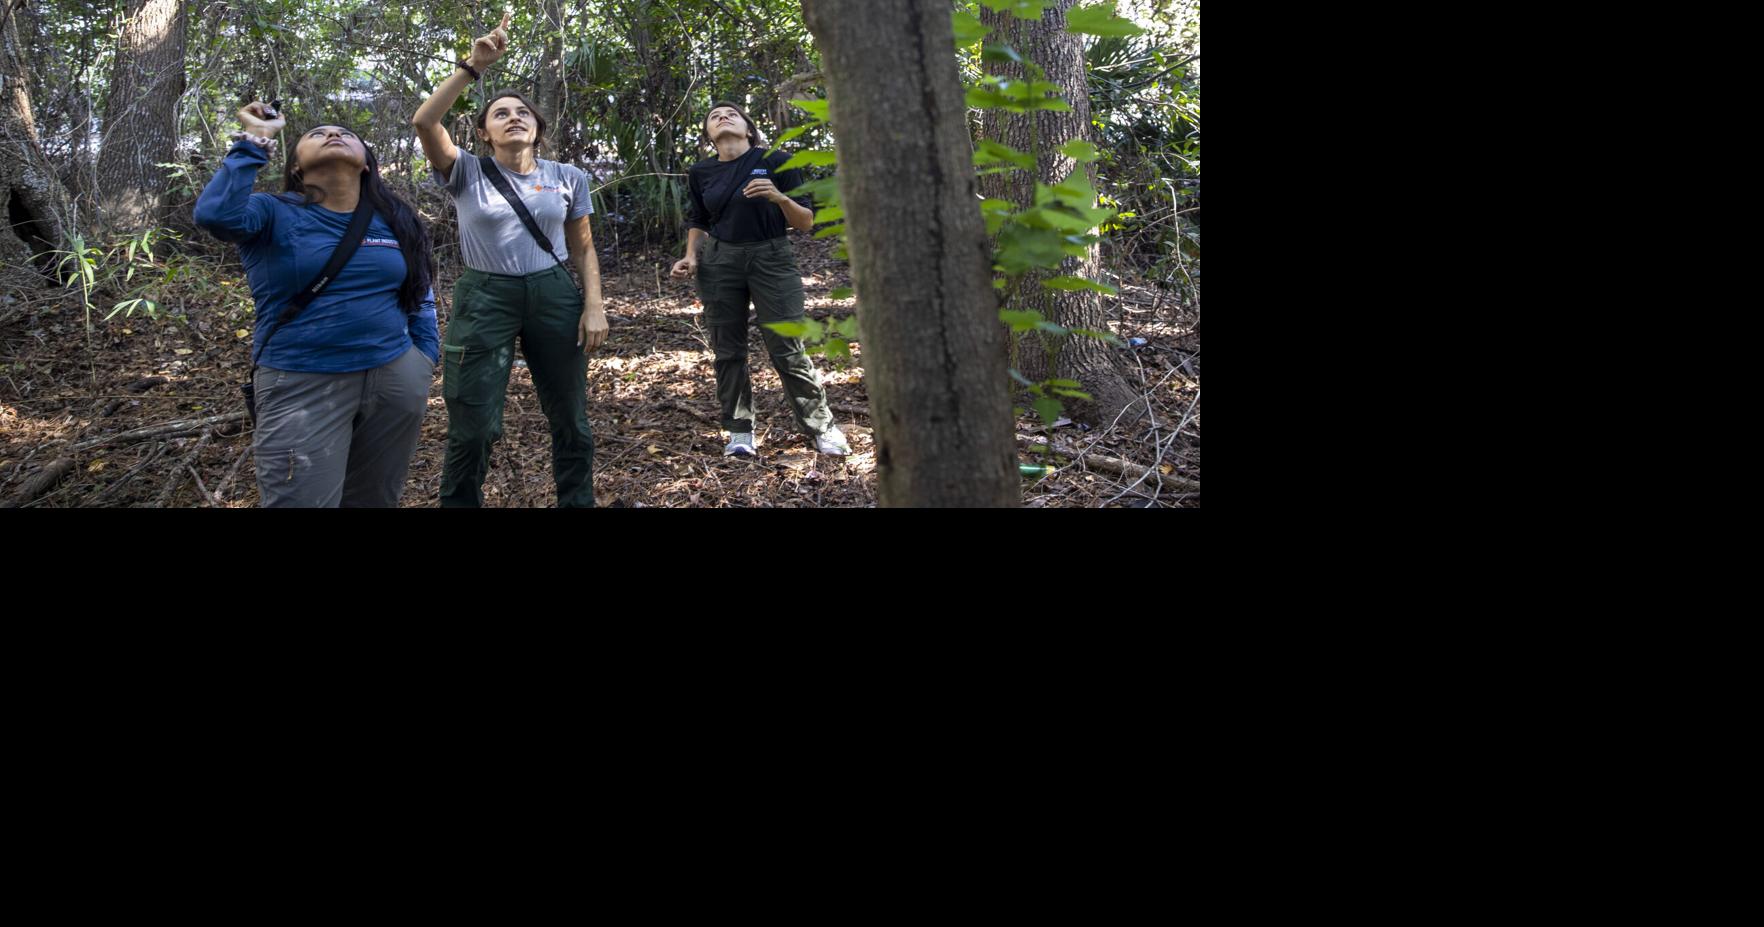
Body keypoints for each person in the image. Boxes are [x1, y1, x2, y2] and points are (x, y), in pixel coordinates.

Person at [193, 103, 439, 507]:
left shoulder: (394, 218)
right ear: (296, 168)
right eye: (316, 134)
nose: (332, 135)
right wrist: (256, 140)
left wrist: (423, 357)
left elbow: (420, 289)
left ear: (365, 164)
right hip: (301, 382)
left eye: (345, 133)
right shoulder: (271, 212)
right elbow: (215, 216)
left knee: (375, 499)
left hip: (395, 378)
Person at [411, 10, 608, 507]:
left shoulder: (568, 176)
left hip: (553, 292)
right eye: (500, 113)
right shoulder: (465, 172)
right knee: (473, 425)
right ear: (483, 133)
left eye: (523, 112)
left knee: (571, 418)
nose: (513, 116)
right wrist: (473, 68)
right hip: (485, 297)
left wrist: (594, 304)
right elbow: (424, 120)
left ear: (537, 128)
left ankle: (577, 501)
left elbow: (582, 246)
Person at [669, 101, 848, 458]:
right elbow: (699, 219)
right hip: (720, 262)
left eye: (731, 114)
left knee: (787, 346)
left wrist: (779, 197)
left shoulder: (778, 161)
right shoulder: (702, 172)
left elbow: (806, 222)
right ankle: (738, 432)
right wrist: (690, 256)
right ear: (709, 134)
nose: (722, 117)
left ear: (748, 129)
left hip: (772, 257)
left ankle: (821, 426)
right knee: (728, 350)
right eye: (714, 116)